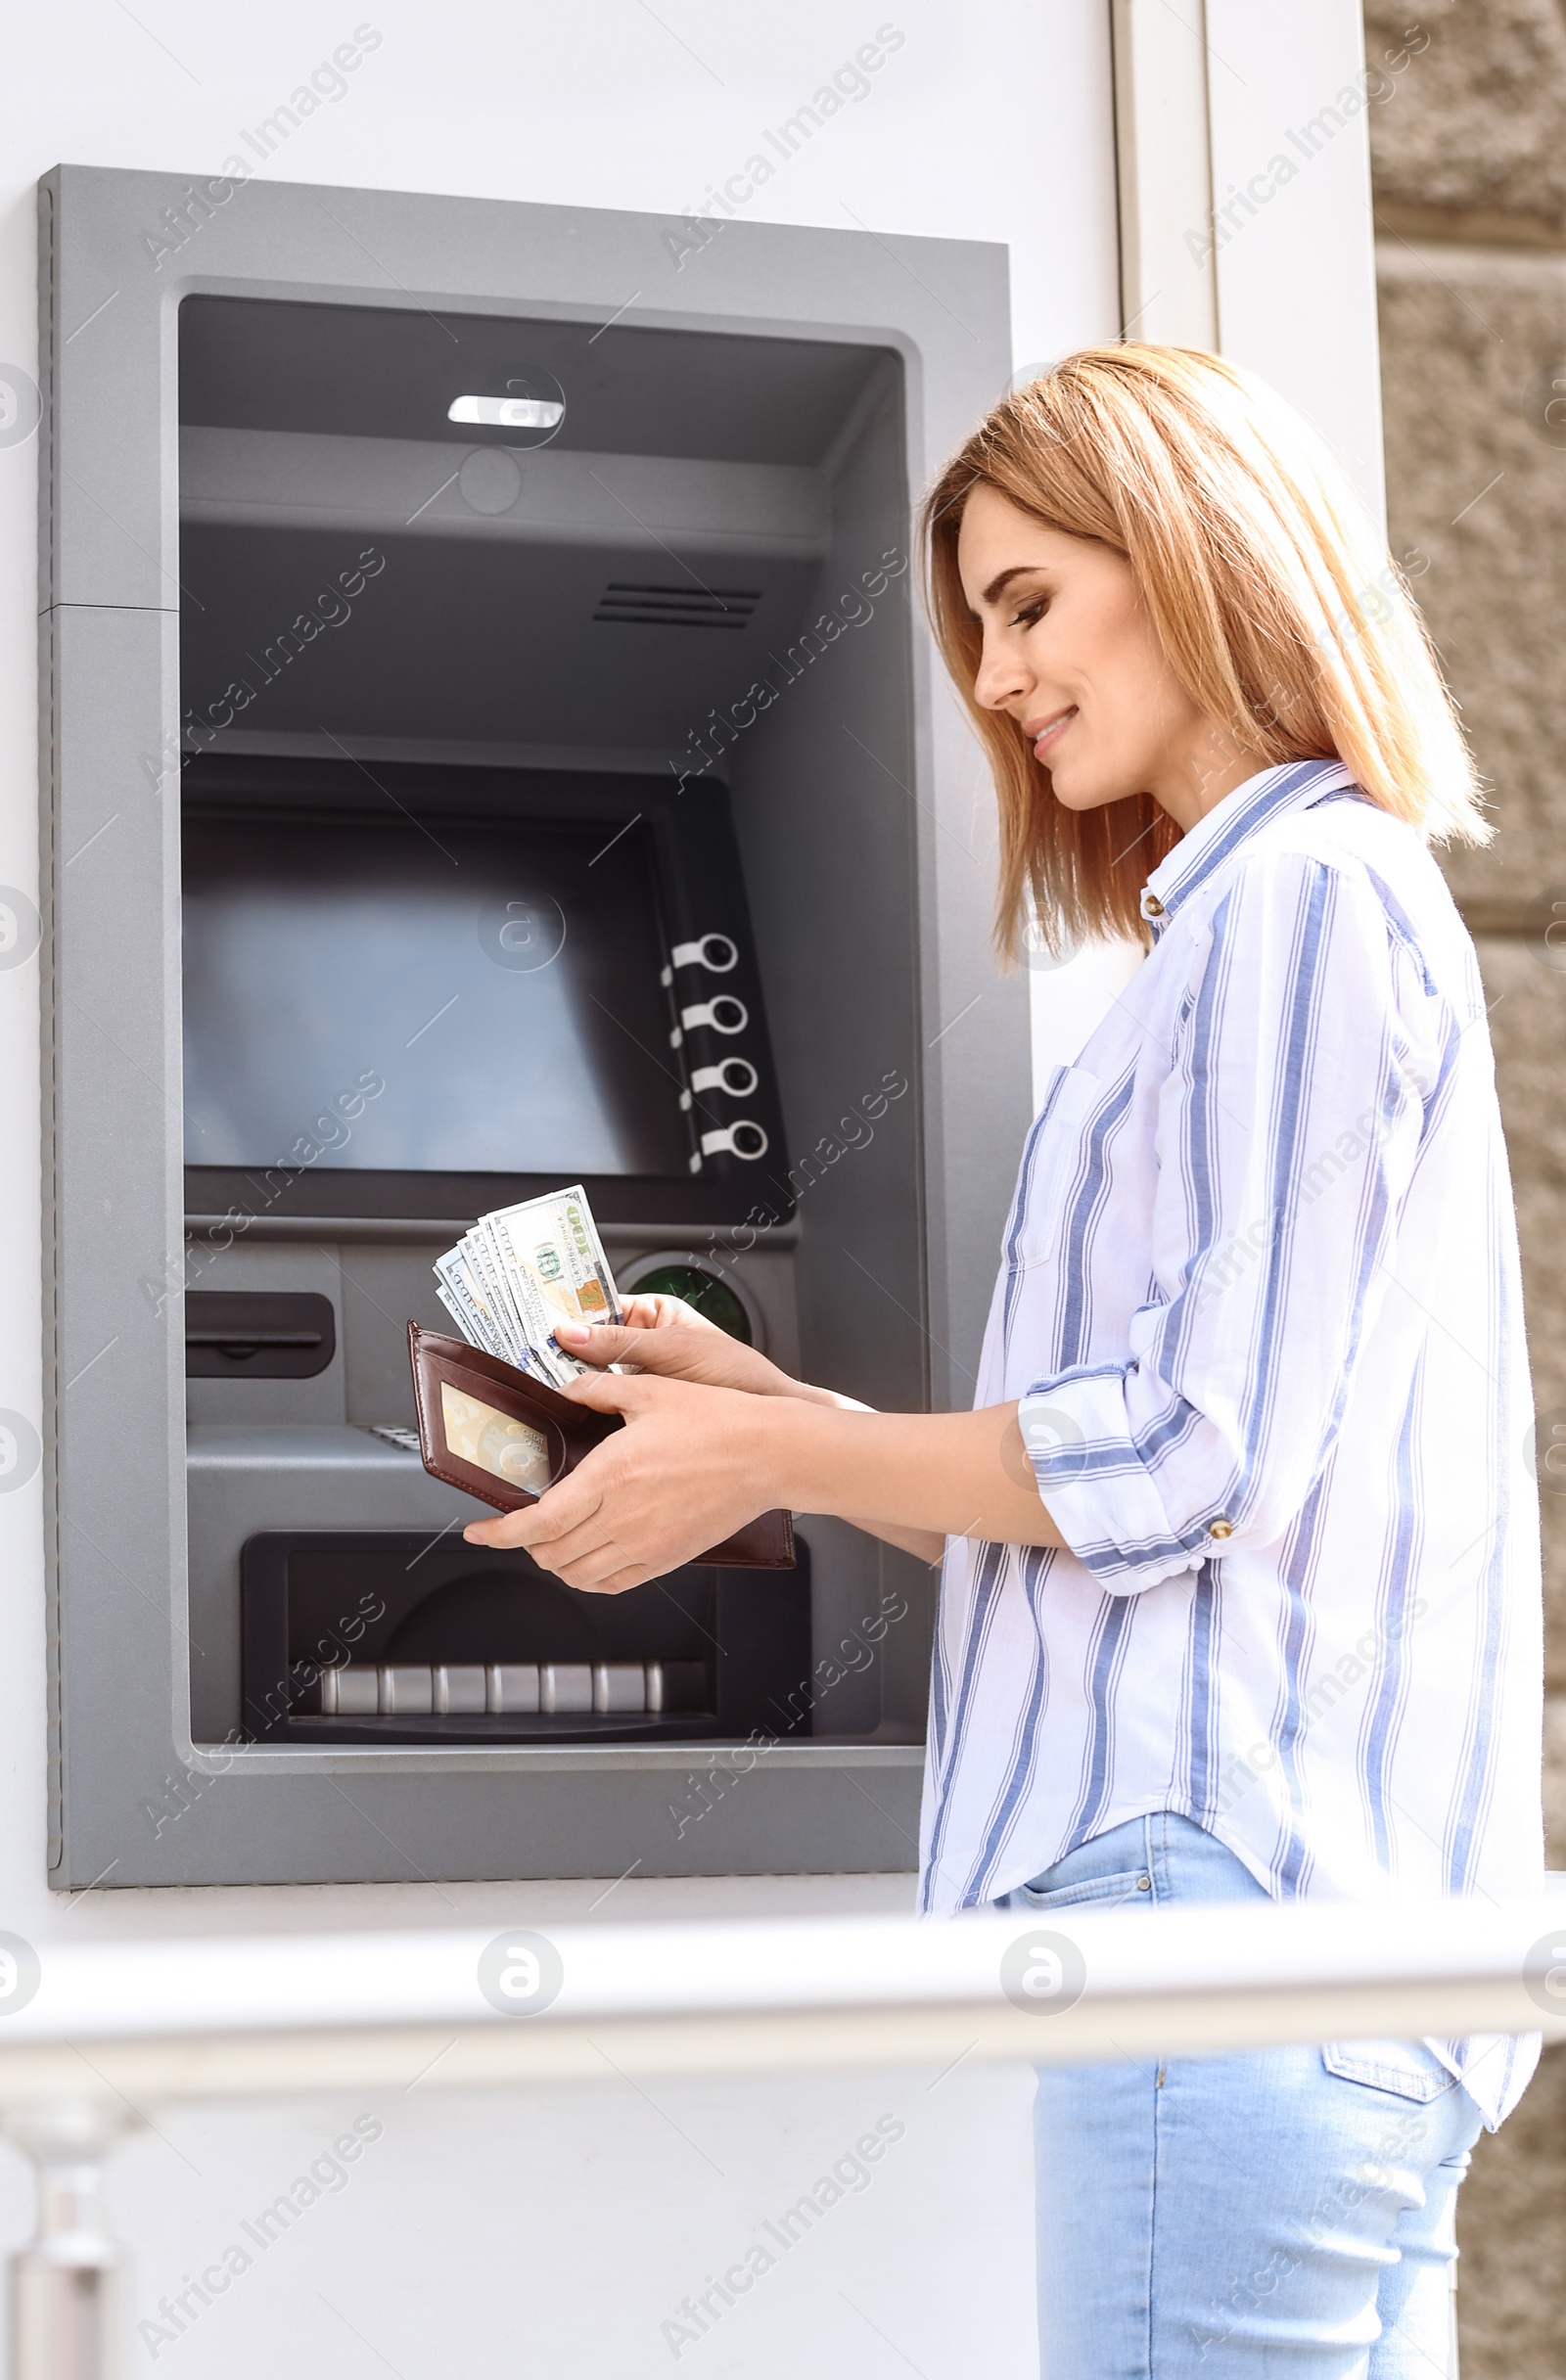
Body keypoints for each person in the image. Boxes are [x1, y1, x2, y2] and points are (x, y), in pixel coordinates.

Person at [464, 345, 1543, 2377]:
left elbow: (1186, 1455)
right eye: (973, 627)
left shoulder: (1299, 901)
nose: (994, 677)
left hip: (1223, 1931)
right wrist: (786, 1420)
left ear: (1190, 546)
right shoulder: (1249, 922)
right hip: (1297, 1948)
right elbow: (1175, 1441)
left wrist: (774, 1474)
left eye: (1028, 600)